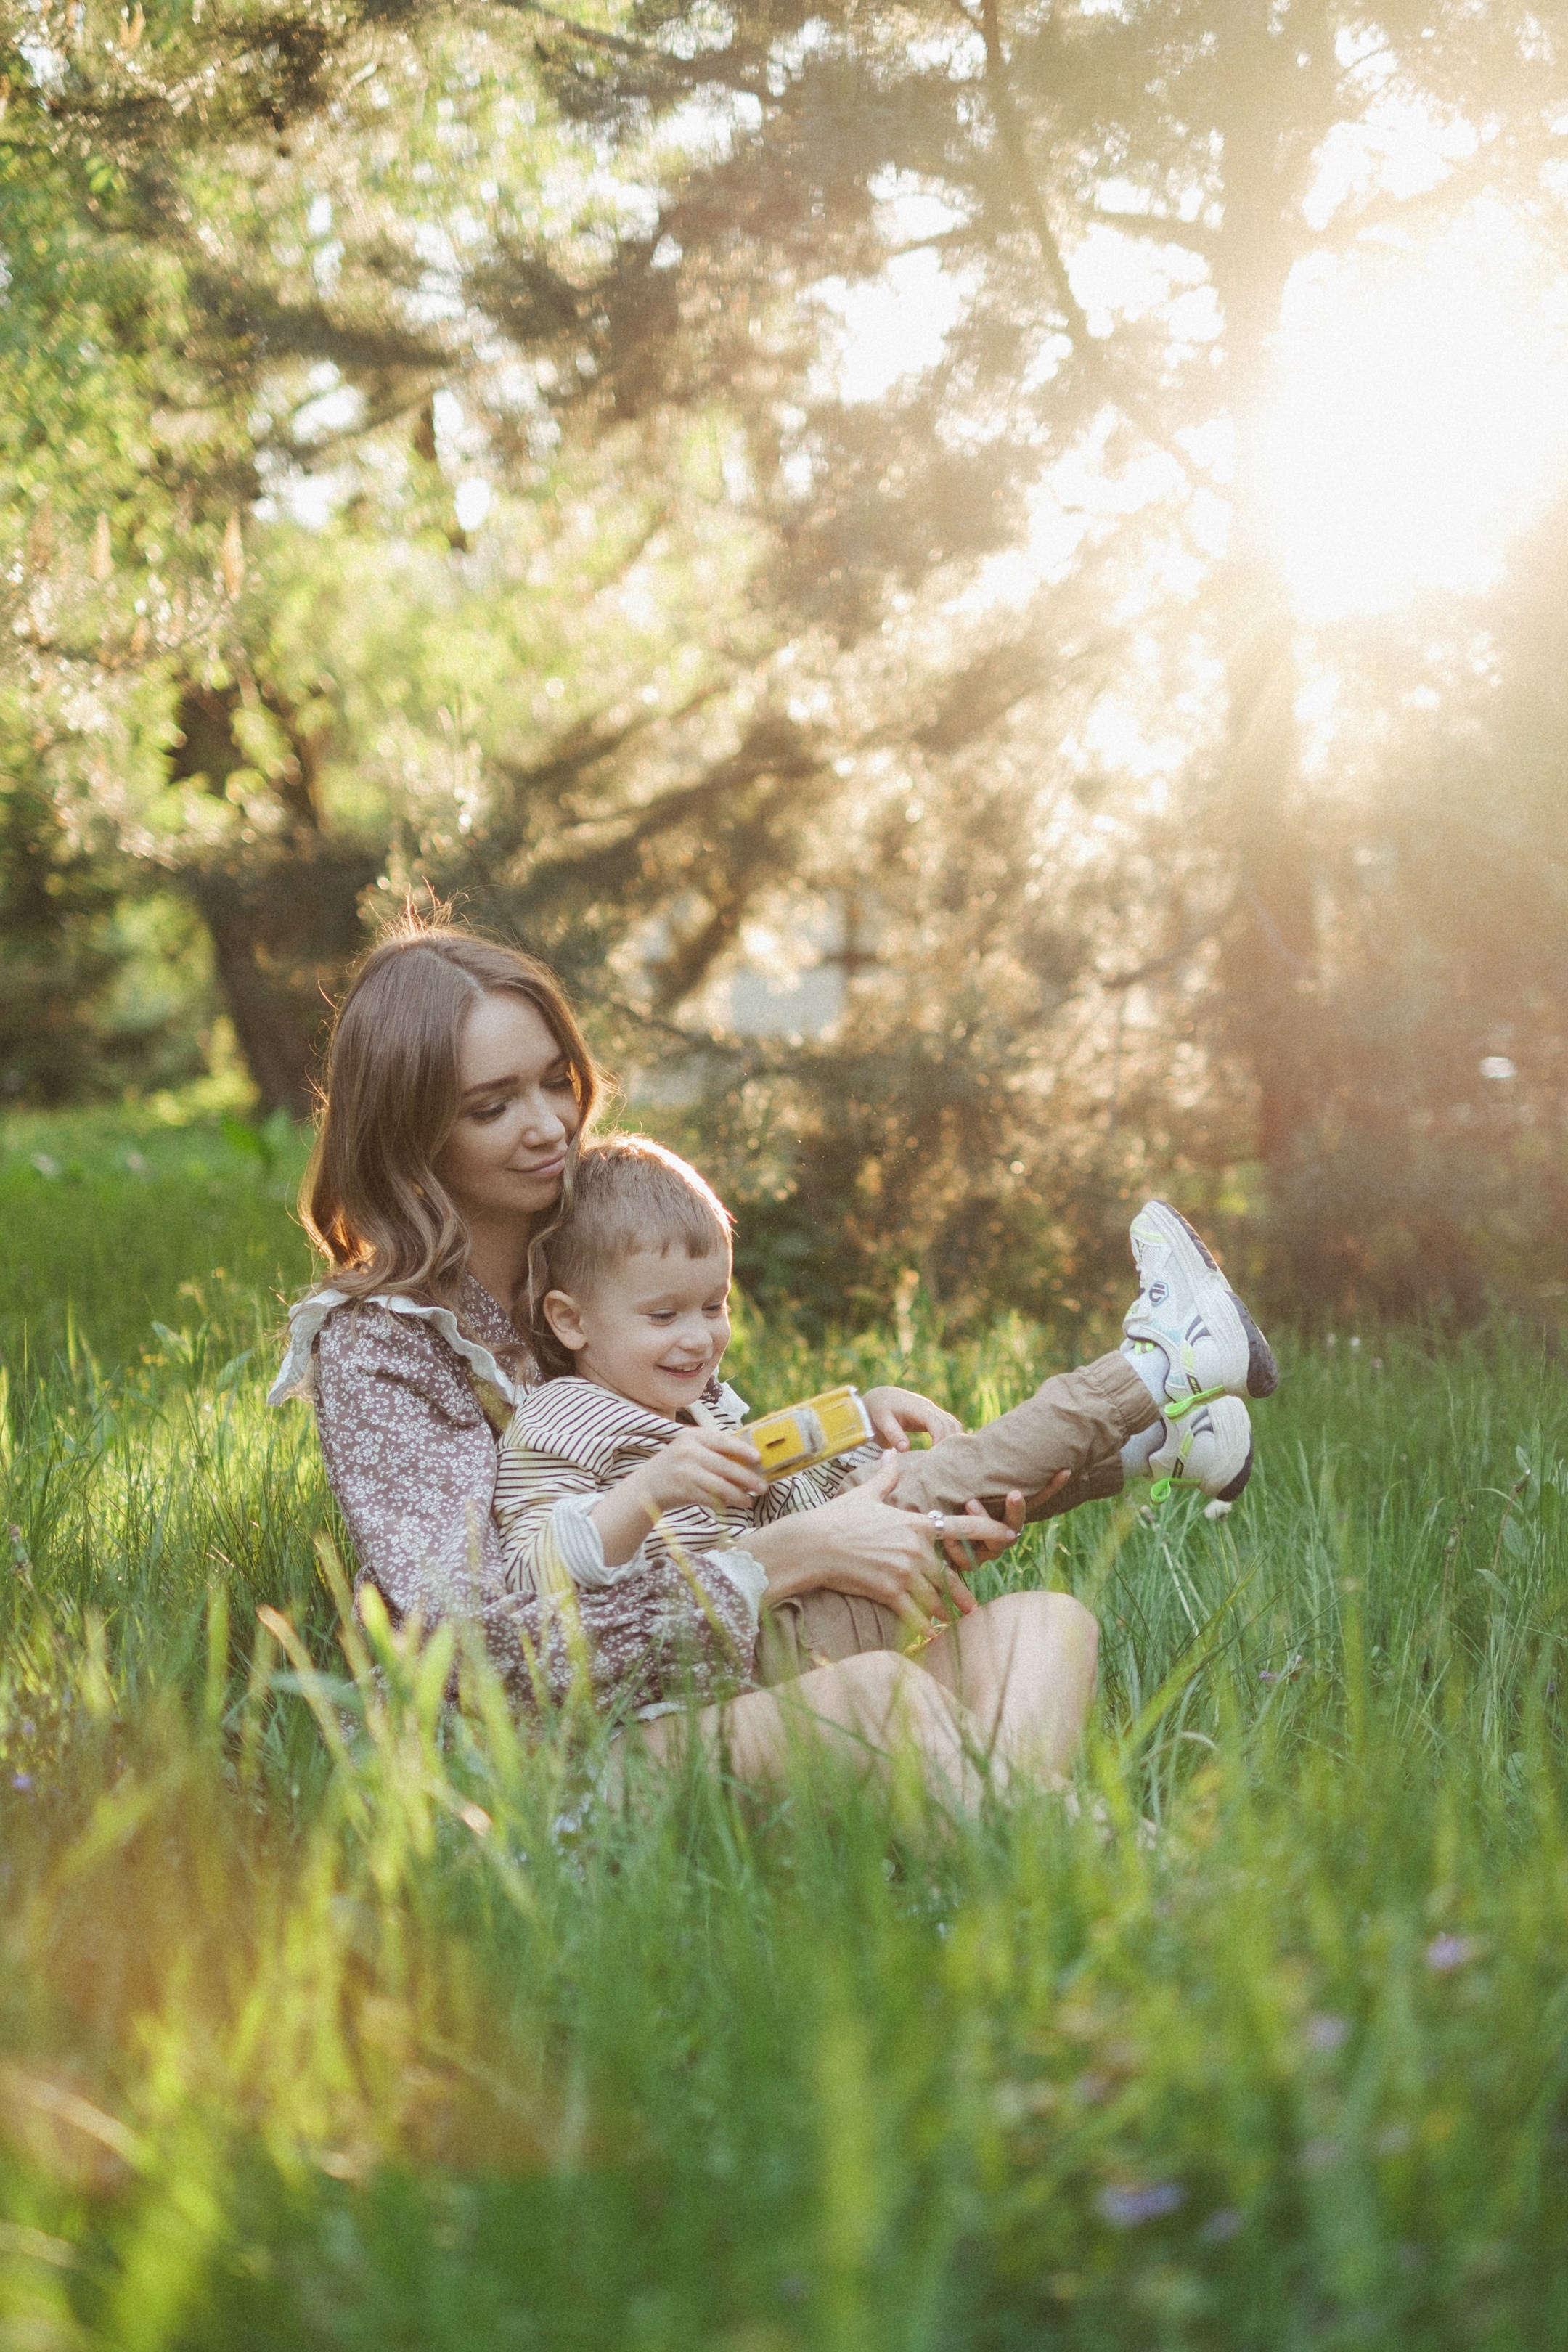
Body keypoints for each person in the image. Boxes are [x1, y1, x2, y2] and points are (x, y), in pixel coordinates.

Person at [270, 915, 1277, 1806]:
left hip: (724, 1672)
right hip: (553, 1757)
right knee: (877, 1697)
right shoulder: (383, 1346)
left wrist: (851, 1481)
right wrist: (787, 1559)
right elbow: (472, 1654)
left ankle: (999, 1862)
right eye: (491, 1106)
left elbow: (742, 1482)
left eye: (555, 1081)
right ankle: (1099, 1864)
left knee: (1043, 1628)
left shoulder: (598, 1262)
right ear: (410, 1133)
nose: (549, 1125)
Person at [492, 1133, 1273, 1797]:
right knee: (924, 1490)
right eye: (664, 1315)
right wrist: (644, 1493)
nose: (698, 1338)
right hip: (697, 1679)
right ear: (572, 1321)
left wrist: (865, 1430)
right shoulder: (560, 1418)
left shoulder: (705, 1409)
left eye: (714, 1306)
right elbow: (534, 1573)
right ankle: (1154, 1372)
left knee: (1039, 1610)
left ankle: (1146, 1446)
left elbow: (799, 1506)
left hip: (772, 1639)